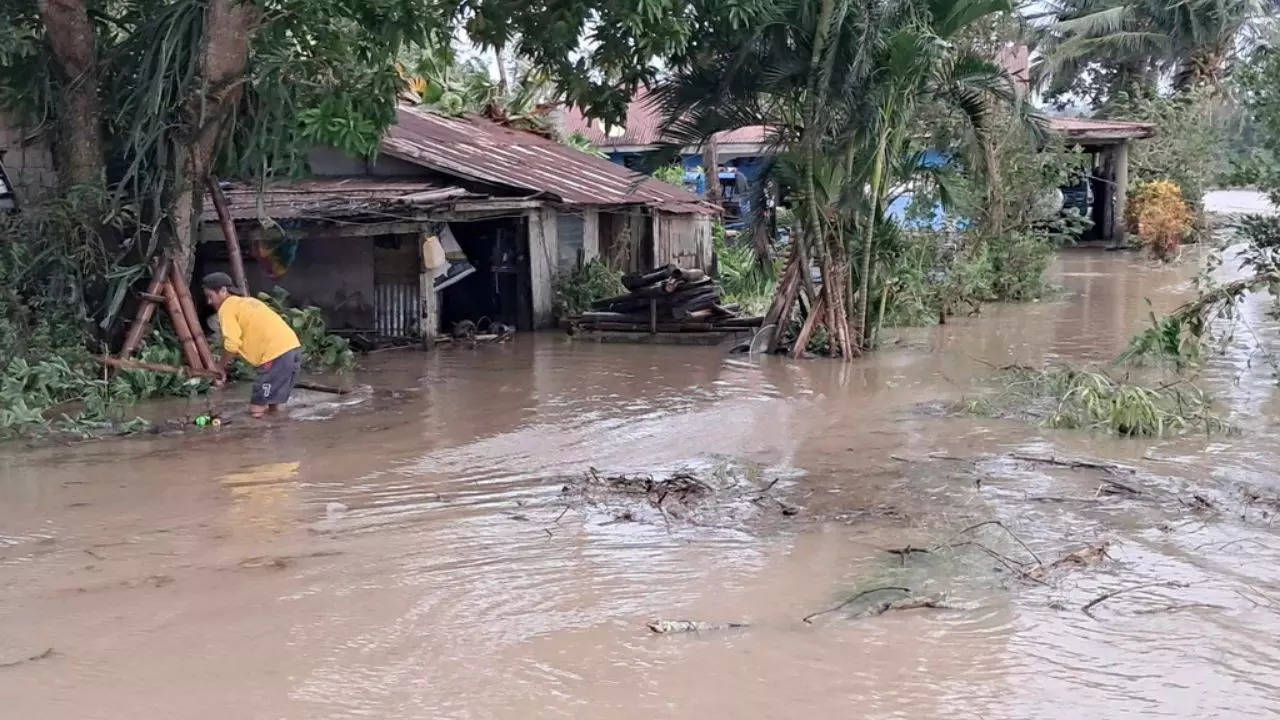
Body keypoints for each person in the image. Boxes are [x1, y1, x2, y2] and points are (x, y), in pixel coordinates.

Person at [201, 272, 303, 418]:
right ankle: (279, 438)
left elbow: (231, 345)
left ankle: (257, 438)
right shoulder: (248, 301)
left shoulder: (227, 307)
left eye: (210, 296)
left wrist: (220, 368)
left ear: (223, 291)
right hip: (293, 349)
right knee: (276, 405)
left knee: (256, 410)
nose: (209, 302)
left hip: (275, 355)